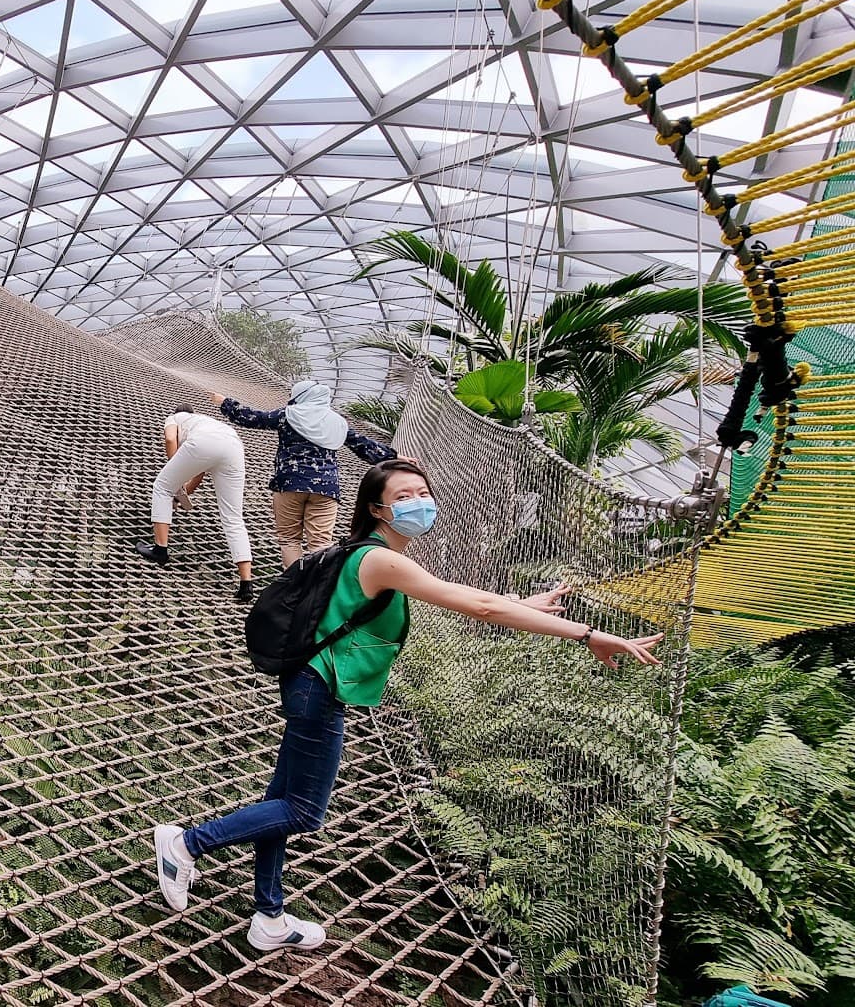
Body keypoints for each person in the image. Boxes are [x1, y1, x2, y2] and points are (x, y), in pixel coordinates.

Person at [150, 457, 663, 952]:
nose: (419, 503)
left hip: (312, 683)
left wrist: (523, 607)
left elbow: (463, 600)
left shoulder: (375, 555)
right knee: (303, 810)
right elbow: (479, 604)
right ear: (377, 509)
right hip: (320, 688)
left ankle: (268, 915)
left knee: (280, 803)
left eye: (423, 493)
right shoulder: (381, 558)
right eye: (403, 496)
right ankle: (187, 845)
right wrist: (587, 633)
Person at [214, 381, 397, 567]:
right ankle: (318, 589)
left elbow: (253, 418)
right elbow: (363, 445)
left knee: (289, 539)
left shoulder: (288, 415)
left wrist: (225, 402)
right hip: (326, 488)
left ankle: (294, 586)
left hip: (290, 483)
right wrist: (396, 457)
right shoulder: (338, 422)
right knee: (321, 543)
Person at [137, 404, 255, 601]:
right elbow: (198, 472)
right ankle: (246, 584)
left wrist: (172, 479)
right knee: (233, 518)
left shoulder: (174, 418)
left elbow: (169, 438)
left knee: (161, 487)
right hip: (234, 446)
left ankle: (160, 549)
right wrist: (182, 494)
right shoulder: (203, 422)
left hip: (205, 444)